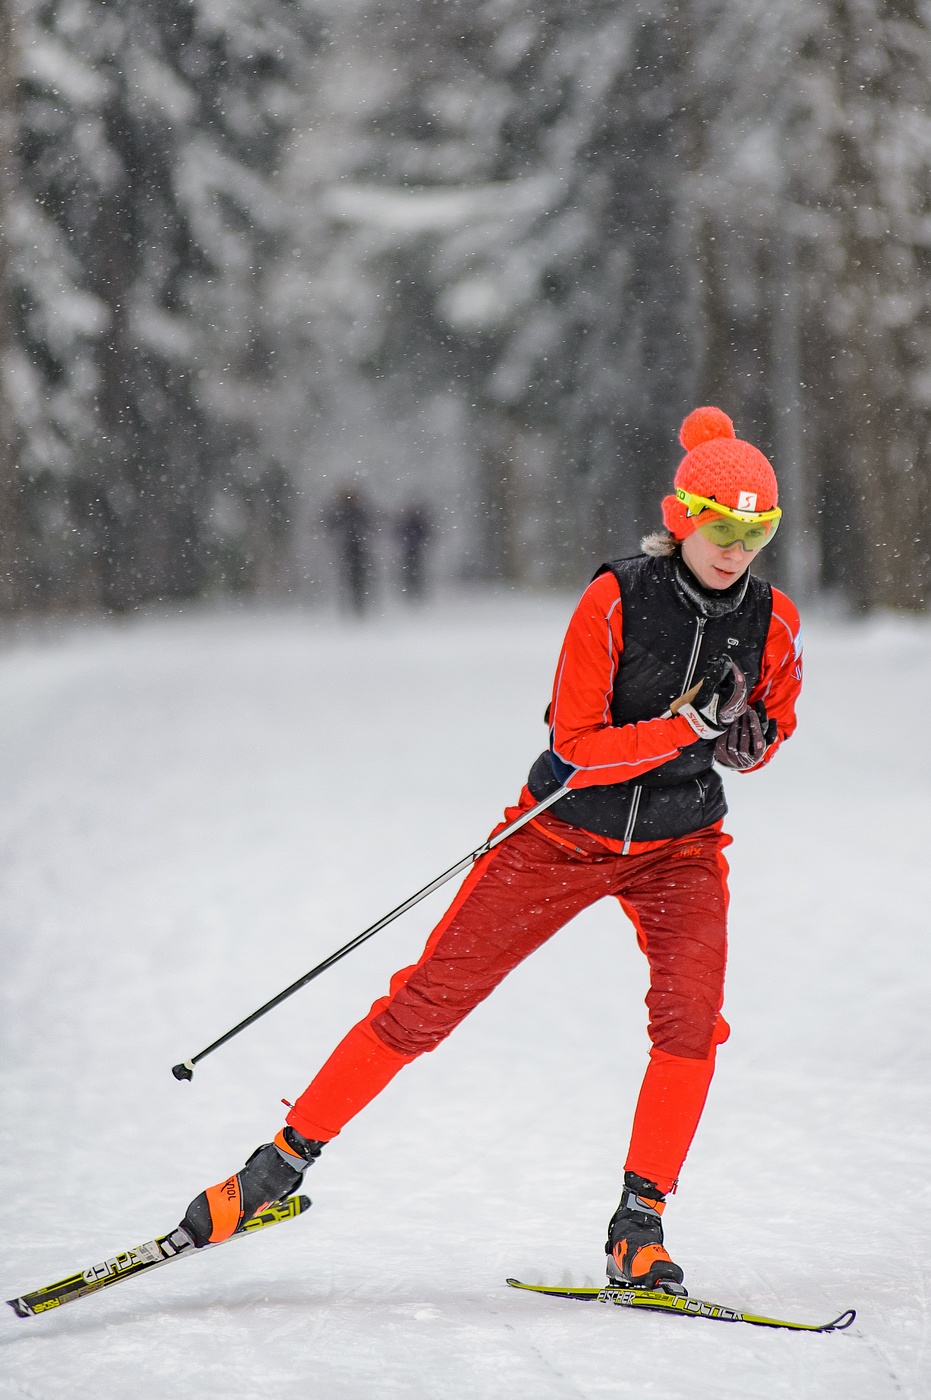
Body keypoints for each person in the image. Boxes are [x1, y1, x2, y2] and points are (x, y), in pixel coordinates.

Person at [178, 406, 802, 1294]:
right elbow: (579, 742)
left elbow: (773, 721)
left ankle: (639, 1226)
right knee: (426, 1003)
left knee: (690, 1023)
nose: (737, 545)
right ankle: (274, 1171)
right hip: (557, 831)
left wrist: (750, 739)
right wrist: (685, 726)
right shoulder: (615, 597)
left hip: (680, 845)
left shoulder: (773, 620)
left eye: (758, 528)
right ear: (682, 514)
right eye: (722, 523)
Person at [325, 487, 374, 614]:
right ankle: (350, 608)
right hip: (347, 552)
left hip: (357, 552)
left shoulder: (357, 512)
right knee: (348, 581)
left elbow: (370, 526)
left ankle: (357, 607)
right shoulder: (342, 513)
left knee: (357, 581)